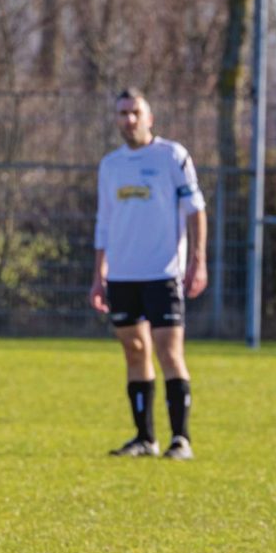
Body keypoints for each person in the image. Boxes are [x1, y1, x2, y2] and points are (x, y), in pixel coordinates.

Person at [88, 88, 207, 458]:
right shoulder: (110, 165)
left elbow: (195, 209)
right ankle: (144, 438)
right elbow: (104, 222)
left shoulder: (172, 156)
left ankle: (180, 440)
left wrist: (198, 260)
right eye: (122, 113)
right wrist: (99, 274)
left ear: (149, 117)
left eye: (135, 112)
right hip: (123, 275)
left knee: (169, 351)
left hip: (163, 272)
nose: (129, 120)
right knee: (134, 350)